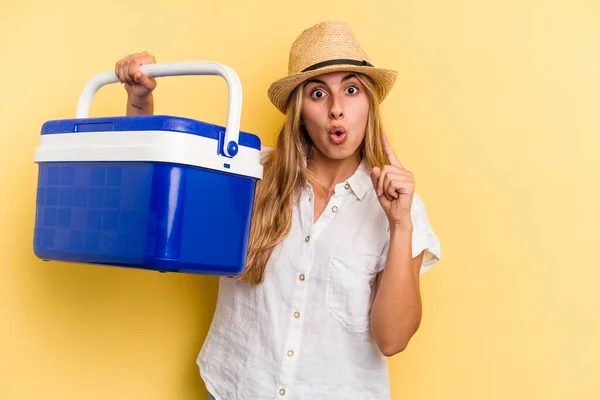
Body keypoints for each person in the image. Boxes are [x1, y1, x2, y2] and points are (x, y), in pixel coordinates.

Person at [115, 21, 441, 400]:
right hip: (236, 388)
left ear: (369, 102)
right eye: (318, 94)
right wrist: (139, 100)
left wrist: (400, 224)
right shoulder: (248, 176)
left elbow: (393, 339)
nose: (337, 109)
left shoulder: (401, 205)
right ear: (299, 111)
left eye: (350, 90)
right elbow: (151, 204)